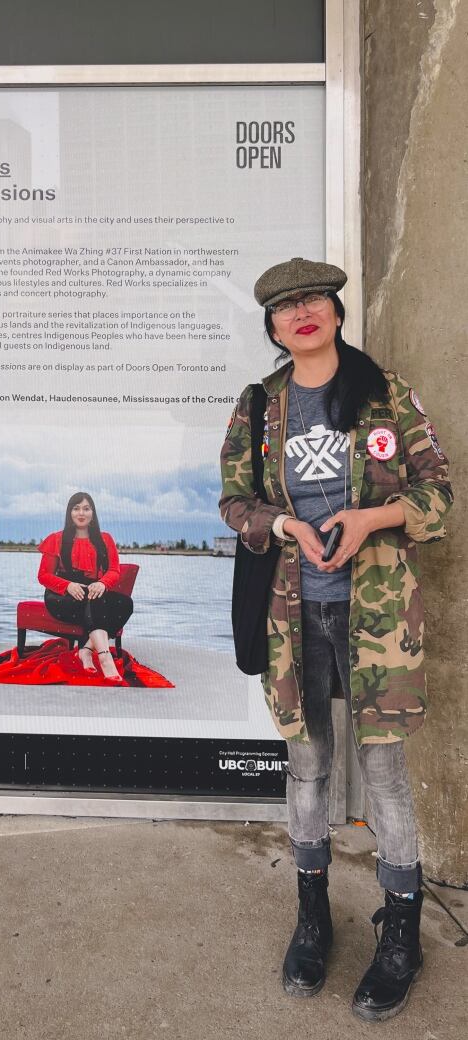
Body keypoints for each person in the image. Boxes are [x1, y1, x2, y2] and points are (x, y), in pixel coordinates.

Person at [219, 258, 452, 1021]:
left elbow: (438, 494)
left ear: (336, 311)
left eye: (313, 299)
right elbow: (234, 503)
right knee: (308, 765)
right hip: (295, 618)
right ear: (274, 329)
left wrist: (371, 519)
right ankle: (313, 916)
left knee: (383, 772)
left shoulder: (385, 394)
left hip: (378, 616)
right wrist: (282, 524)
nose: (301, 313)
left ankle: (401, 931)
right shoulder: (259, 408)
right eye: (285, 308)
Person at [38, 492, 133, 683]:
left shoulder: (105, 539)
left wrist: (102, 583)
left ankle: (86, 651)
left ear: (93, 513)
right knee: (97, 601)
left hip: (93, 592)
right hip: (62, 596)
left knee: (125, 604)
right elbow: (43, 576)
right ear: (69, 513)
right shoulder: (56, 539)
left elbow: (114, 570)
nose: (81, 513)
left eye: (86, 508)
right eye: (76, 508)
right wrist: (68, 585)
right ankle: (105, 658)